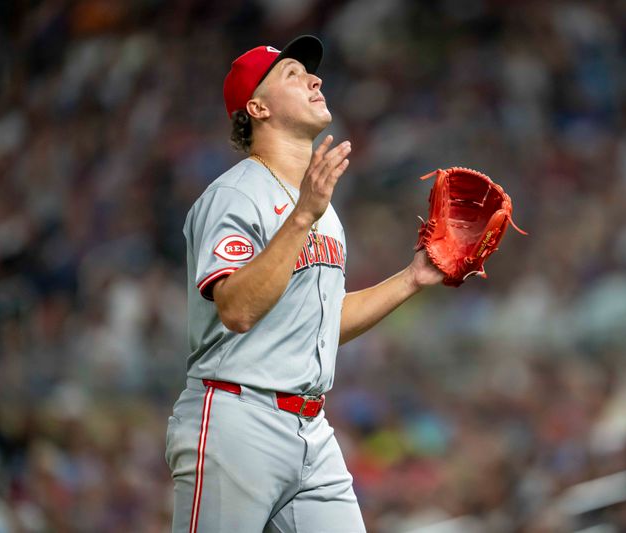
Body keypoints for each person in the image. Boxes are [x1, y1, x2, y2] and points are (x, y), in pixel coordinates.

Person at [165, 35, 444, 533]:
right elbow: (237, 309)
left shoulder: (321, 210)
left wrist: (413, 278)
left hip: (311, 428)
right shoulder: (235, 194)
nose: (314, 78)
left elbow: (322, 323)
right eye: (292, 74)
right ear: (257, 107)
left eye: (309, 72)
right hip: (235, 416)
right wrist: (302, 217)